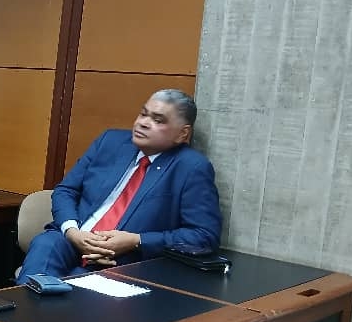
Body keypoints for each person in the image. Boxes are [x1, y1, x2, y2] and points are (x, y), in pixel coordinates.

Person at [17, 89, 221, 283]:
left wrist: (136, 241)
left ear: (182, 134)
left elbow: (204, 235)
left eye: (158, 120)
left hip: (122, 259)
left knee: (76, 287)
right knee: (46, 246)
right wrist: (72, 232)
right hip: (73, 237)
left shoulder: (191, 167)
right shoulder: (109, 142)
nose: (143, 123)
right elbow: (66, 190)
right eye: (143, 114)